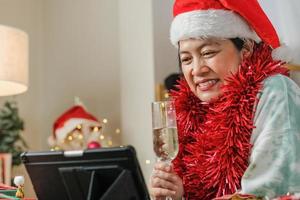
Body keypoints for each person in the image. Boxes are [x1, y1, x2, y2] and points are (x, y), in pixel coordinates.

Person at [149, 0, 300, 199]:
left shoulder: (275, 90)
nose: (197, 69)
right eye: (186, 59)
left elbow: (270, 192)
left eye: (208, 53)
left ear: (245, 51)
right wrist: (177, 194)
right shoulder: (190, 112)